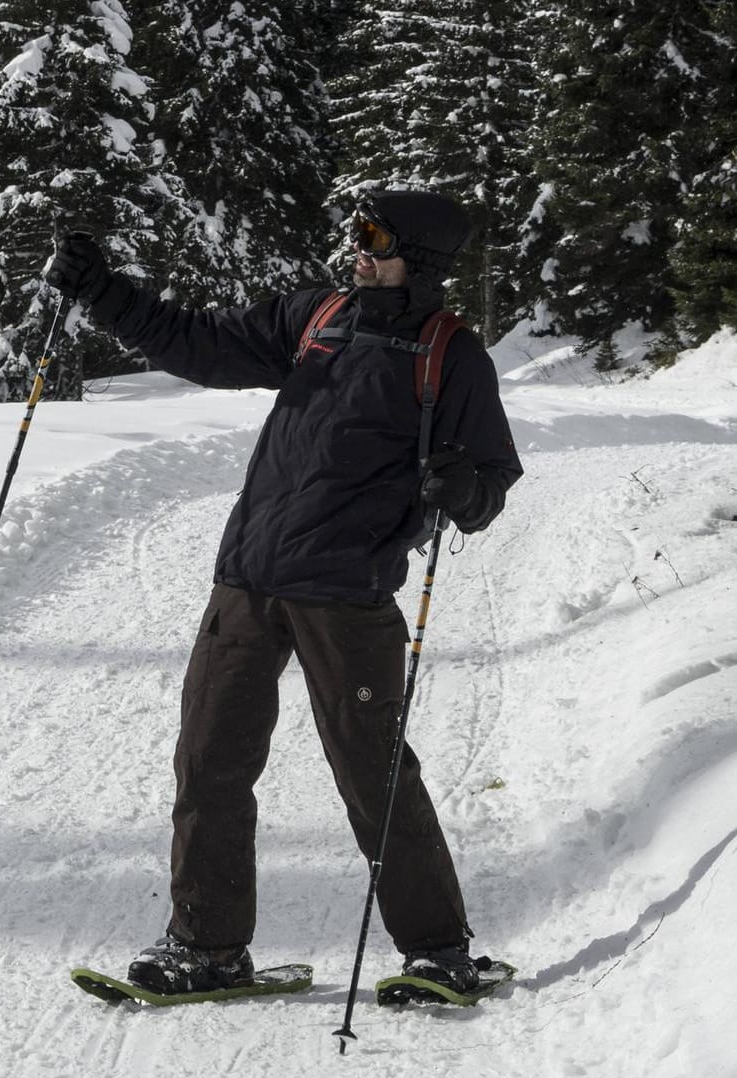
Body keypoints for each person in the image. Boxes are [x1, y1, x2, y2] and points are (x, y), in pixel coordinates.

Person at [44, 189, 523, 994]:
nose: (357, 249)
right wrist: (100, 289)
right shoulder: (316, 317)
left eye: (374, 238)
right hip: (247, 579)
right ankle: (206, 948)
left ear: (423, 258)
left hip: (346, 592)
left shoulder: (449, 353)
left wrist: (461, 488)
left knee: (370, 770)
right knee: (208, 763)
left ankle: (438, 949)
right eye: (355, 233)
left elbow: (490, 479)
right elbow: (195, 344)